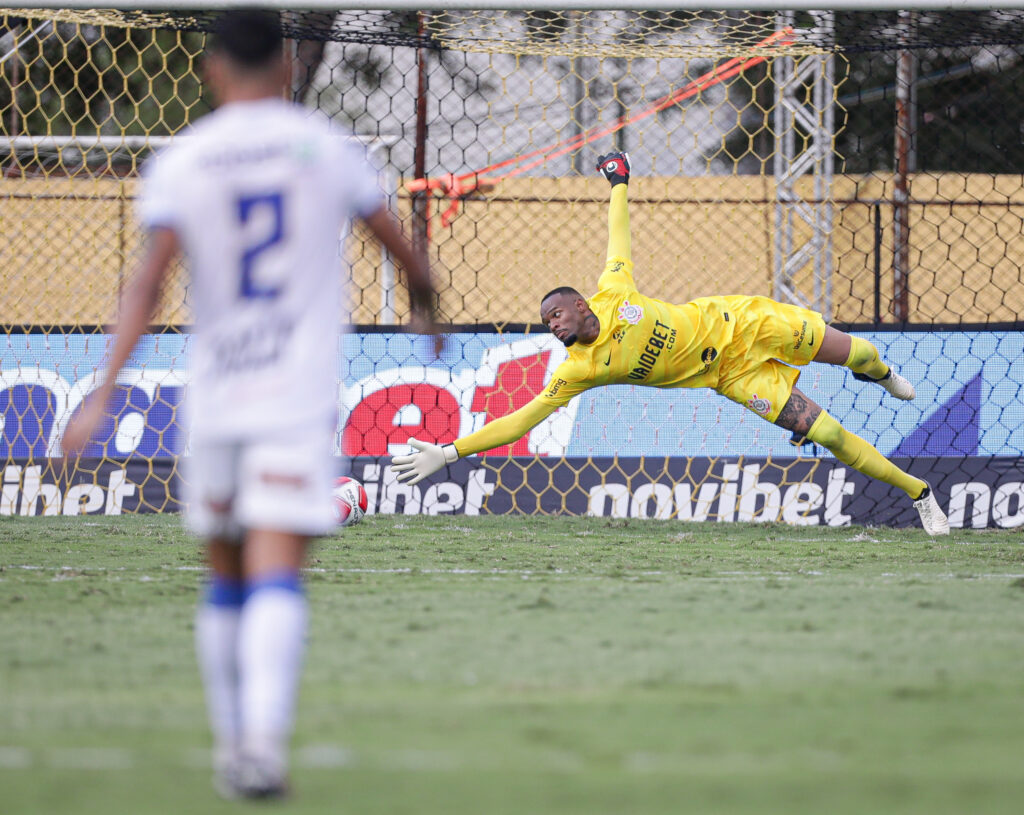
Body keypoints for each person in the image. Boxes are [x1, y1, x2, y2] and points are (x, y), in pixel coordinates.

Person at [61, 10, 440, 799]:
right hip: (295, 393)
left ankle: (233, 741)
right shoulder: (323, 147)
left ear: (212, 70)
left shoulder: (185, 160)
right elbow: (395, 238)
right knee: (276, 573)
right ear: (285, 67)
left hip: (220, 392)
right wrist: (427, 304)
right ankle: (261, 747)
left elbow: (148, 283)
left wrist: (104, 390)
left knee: (225, 575)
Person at [391, 151, 949, 536]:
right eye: (545, 323)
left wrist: (618, 183)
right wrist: (450, 451)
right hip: (732, 378)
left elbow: (618, 234)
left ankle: (878, 375)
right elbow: (523, 420)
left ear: (581, 304)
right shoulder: (579, 370)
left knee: (861, 354)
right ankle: (920, 493)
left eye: (555, 314)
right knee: (826, 432)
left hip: (745, 322)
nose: (552, 326)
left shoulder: (614, 291)